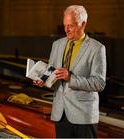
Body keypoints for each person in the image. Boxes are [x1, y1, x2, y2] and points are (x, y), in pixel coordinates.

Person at [34, 5, 106, 138]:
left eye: (71, 26)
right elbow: (51, 71)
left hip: (84, 116)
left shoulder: (97, 49)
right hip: (60, 113)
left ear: (83, 24)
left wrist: (70, 78)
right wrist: (43, 80)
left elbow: (99, 83)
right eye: (65, 25)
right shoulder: (57, 45)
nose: (66, 30)